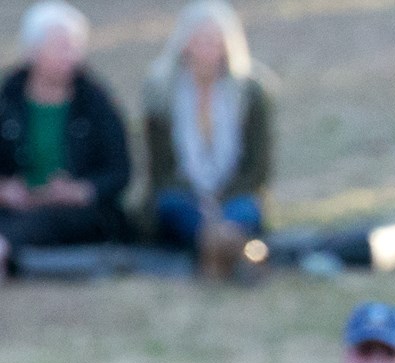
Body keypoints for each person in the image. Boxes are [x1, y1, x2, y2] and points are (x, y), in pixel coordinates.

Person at [143, 0, 275, 281]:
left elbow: (257, 169)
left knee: (244, 210)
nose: (208, 48)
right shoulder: (161, 92)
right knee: (172, 206)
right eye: (200, 40)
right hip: (183, 195)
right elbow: (160, 172)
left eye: (215, 40)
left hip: (234, 194)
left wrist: (220, 199)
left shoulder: (250, 92)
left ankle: (219, 252)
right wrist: (200, 202)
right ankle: (225, 250)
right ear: (184, 43)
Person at [0, 0, 131, 279]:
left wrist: (82, 191)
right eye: (60, 46)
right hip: (13, 209)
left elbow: (119, 171)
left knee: (53, 220)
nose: (69, 55)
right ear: (33, 51)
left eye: (74, 47)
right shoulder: (6, 100)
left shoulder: (96, 102)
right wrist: (4, 189)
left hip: (76, 215)